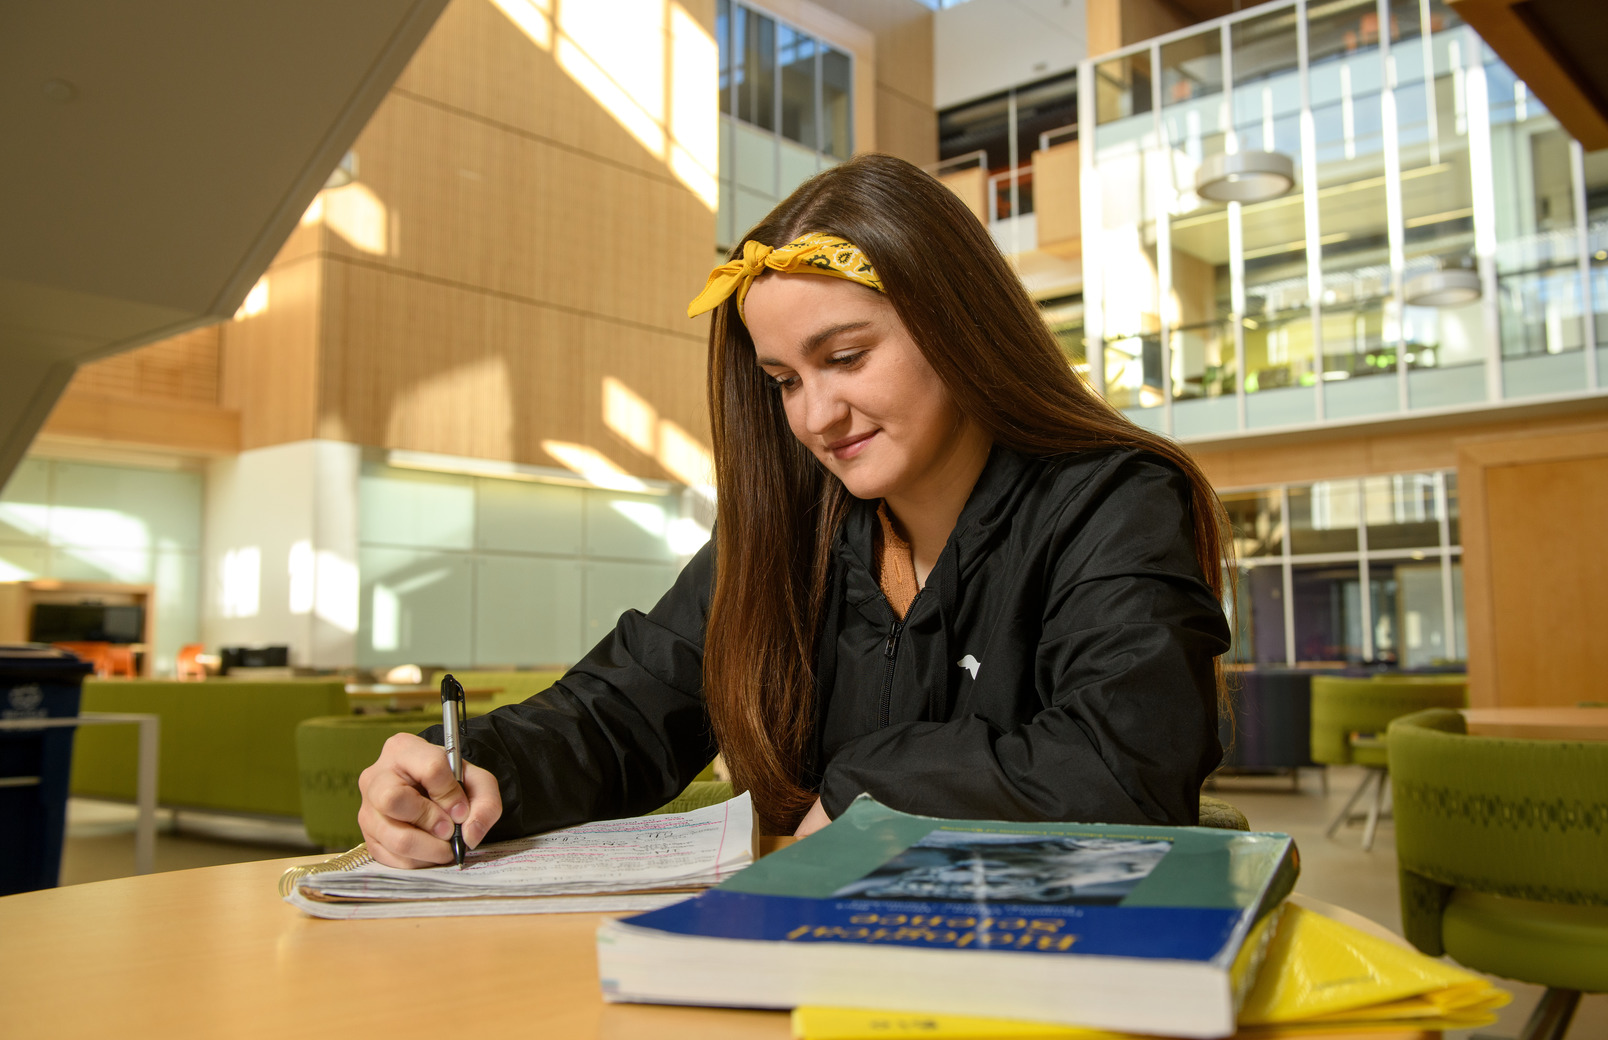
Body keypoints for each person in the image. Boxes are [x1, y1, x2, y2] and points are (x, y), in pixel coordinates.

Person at [356, 154, 1233, 869]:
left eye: (846, 357)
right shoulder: (781, 530)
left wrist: (869, 788)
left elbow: (1127, 765)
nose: (815, 417)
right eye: (784, 382)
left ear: (958, 324)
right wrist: (480, 769)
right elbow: (621, 711)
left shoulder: (1110, 500)